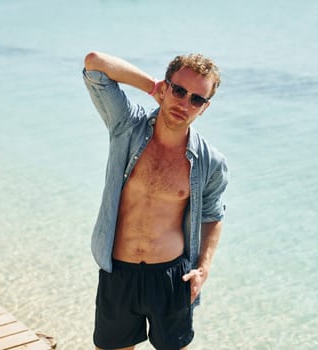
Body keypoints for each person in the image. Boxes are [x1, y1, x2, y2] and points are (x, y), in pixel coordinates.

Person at [83, 51, 229, 350]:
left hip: (171, 278)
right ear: (165, 88)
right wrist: (151, 87)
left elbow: (212, 216)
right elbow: (95, 64)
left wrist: (203, 268)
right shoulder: (128, 126)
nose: (184, 103)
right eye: (178, 90)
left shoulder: (209, 161)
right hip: (119, 272)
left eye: (196, 99)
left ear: (204, 108)